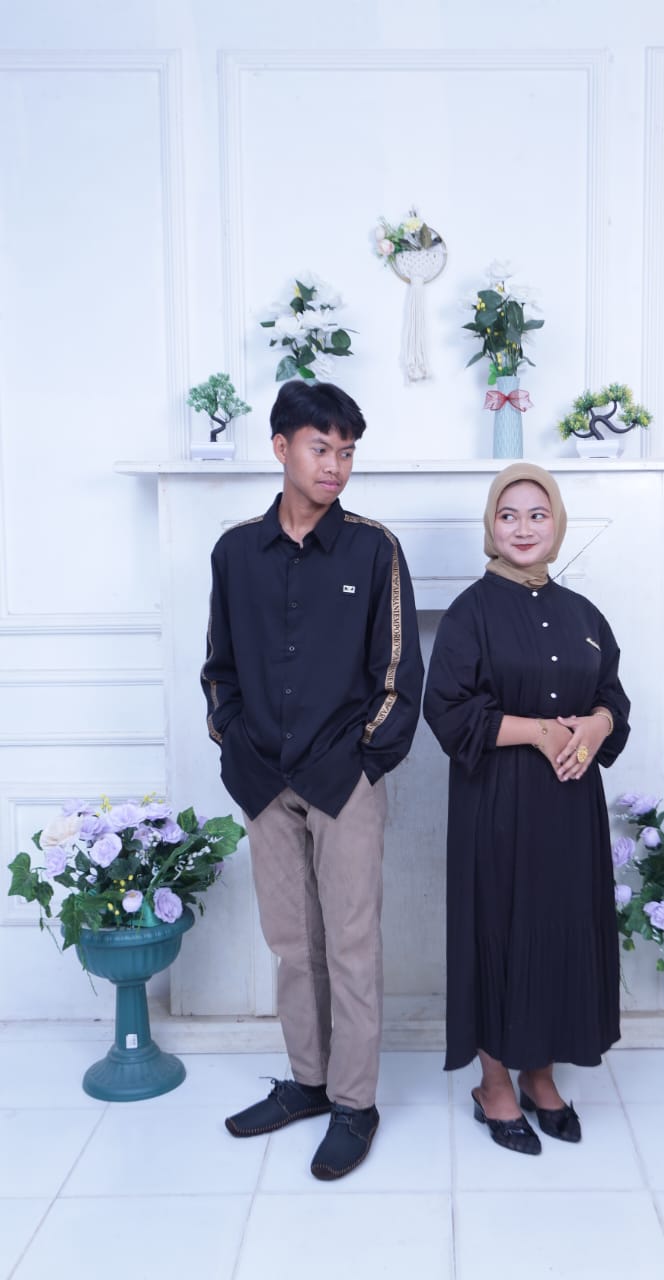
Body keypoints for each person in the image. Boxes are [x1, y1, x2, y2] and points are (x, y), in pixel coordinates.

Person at [201, 380, 424, 1180]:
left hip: (343, 777)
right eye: (320, 448)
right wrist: (233, 744)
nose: (335, 465)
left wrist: (362, 761)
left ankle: (355, 1104)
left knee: (352, 946)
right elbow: (219, 669)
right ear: (281, 448)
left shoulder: (373, 549)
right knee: (293, 946)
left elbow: (398, 674)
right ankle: (308, 1082)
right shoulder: (235, 552)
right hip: (262, 779)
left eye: (347, 452)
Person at [423, 462, 630, 1155]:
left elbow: (612, 695)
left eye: (536, 514)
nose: (522, 528)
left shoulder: (583, 614)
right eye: (507, 515)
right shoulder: (470, 613)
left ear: (556, 524)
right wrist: (539, 732)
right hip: (497, 805)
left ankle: (540, 1075)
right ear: (491, 525)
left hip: (571, 808)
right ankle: (493, 1085)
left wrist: (598, 723)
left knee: (559, 932)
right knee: (498, 933)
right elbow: (447, 710)